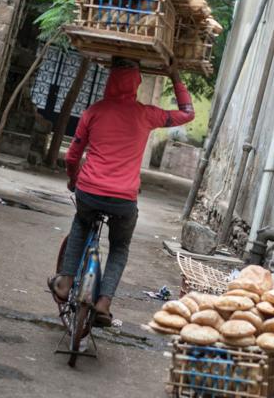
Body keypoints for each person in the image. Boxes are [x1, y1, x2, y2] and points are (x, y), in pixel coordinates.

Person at [48, 56, 195, 326]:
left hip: (89, 192)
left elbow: (72, 157)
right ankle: (103, 304)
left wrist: (73, 180)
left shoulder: (94, 111)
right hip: (124, 201)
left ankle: (65, 281)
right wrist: (175, 76)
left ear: (110, 82)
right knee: (119, 247)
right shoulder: (146, 114)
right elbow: (187, 113)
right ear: (136, 84)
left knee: (81, 223)